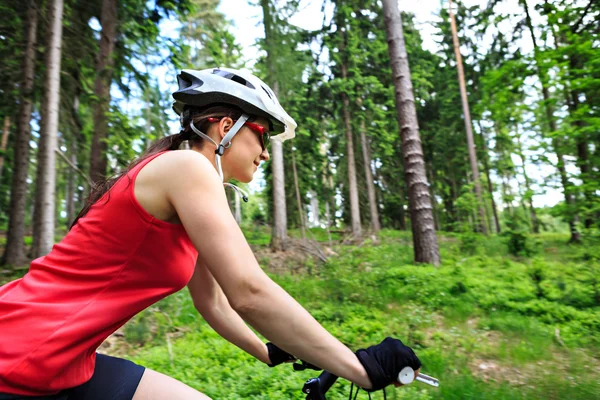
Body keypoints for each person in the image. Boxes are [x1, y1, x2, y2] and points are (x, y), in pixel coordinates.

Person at [0, 67, 421, 400]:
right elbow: (250, 291)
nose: (264, 152)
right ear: (225, 127)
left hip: (65, 362)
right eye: (262, 135)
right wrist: (360, 367)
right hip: (20, 356)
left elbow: (212, 303)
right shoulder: (189, 168)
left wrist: (270, 351)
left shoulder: (190, 186)